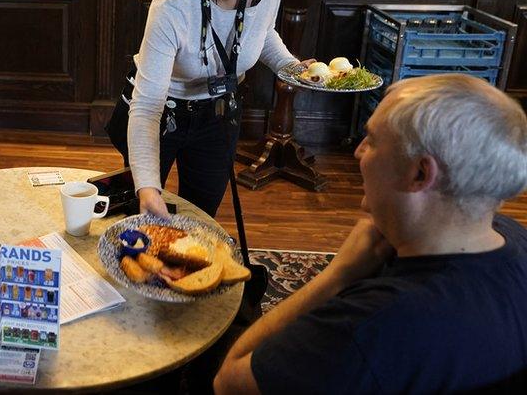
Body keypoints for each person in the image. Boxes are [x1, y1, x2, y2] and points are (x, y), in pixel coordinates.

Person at [214, 74, 527, 394]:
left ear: (419, 173)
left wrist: (336, 276)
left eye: (373, 140)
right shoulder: (516, 240)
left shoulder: (374, 324)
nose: (359, 152)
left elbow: (228, 382)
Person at [105, 0, 305, 218]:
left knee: (200, 213)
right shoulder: (173, 2)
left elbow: (262, 33)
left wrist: (294, 67)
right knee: (147, 213)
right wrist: (148, 188)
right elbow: (148, 104)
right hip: (162, 111)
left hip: (217, 112)